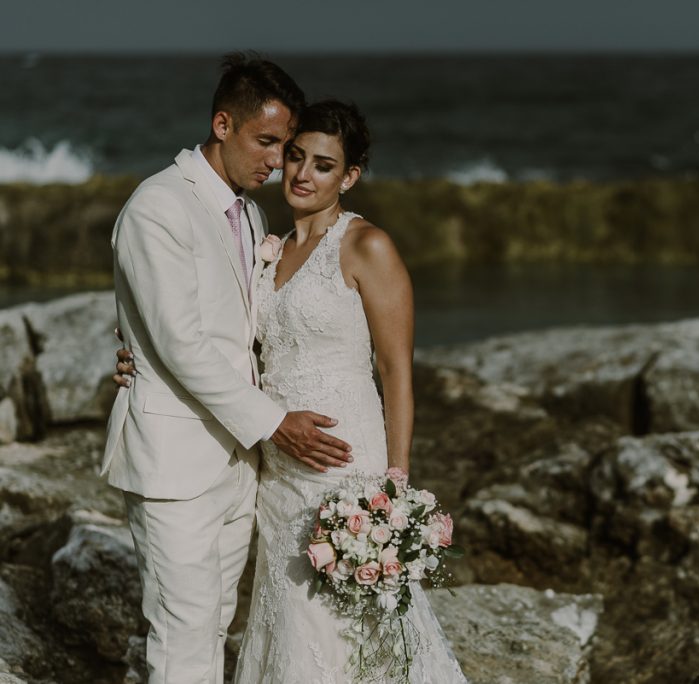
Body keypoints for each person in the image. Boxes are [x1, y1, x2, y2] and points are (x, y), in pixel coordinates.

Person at [116, 99, 467, 681]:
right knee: (289, 621)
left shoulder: (366, 246)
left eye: (324, 165)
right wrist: (136, 356)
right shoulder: (265, 242)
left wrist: (395, 483)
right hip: (275, 470)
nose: (301, 174)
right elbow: (203, 329)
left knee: (352, 623)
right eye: (295, 156)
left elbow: (395, 368)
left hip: (343, 461)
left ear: (349, 177)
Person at [104, 55, 354, 684]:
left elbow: (237, 331)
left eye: (284, 146)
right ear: (222, 124)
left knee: (215, 624)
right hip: (174, 463)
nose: (276, 161)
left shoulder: (250, 216)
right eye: (265, 142)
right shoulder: (158, 207)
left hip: (236, 462)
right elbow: (181, 343)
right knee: (181, 633)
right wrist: (275, 423)